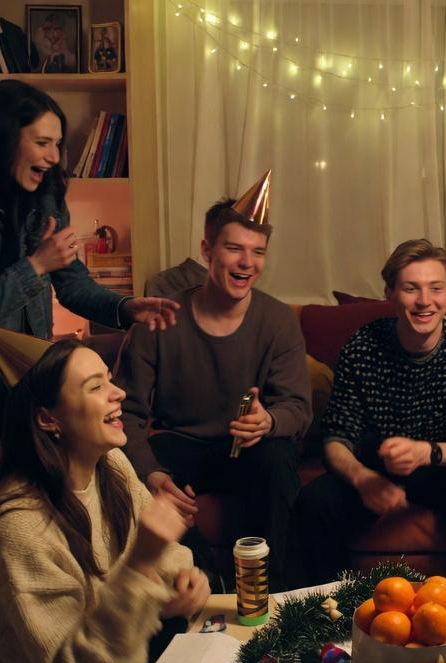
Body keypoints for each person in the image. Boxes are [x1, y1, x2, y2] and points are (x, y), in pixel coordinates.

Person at [0, 79, 179, 629]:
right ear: (4, 137)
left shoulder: (46, 196)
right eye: (43, 143)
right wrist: (34, 265)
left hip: (26, 370)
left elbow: (71, 284)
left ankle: (34, 623)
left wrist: (125, 307)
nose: (54, 157)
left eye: (58, 145)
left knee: (36, 496)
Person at [0, 325, 210, 663]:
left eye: (109, 379)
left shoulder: (111, 465)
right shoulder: (17, 526)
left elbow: (163, 557)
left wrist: (181, 578)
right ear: (48, 418)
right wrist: (144, 562)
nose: (118, 393)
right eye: (95, 387)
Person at [117, 171, 311, 592]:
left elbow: (298, 407)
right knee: (134, 469)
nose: (247, 262)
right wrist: (151, 475)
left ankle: (269, 597)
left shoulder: (278, 320)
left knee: (278, 458)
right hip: (182, 445)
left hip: (248, 450)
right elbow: (124, 414)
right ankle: (209, 587)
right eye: (234, 248)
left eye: (258, 252)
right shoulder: (161, 320)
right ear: (207, 250)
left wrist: (269, 421)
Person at [295, 239, 446, 584]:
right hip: (375, 465)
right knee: (315, 501)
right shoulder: (362, 345)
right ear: (390, 293)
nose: (424, 301)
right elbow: (336, 437)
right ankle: (331, 606)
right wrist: (362, 479)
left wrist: (426, 452)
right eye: (410, 288)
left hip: (444, 464)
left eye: (435, 288)